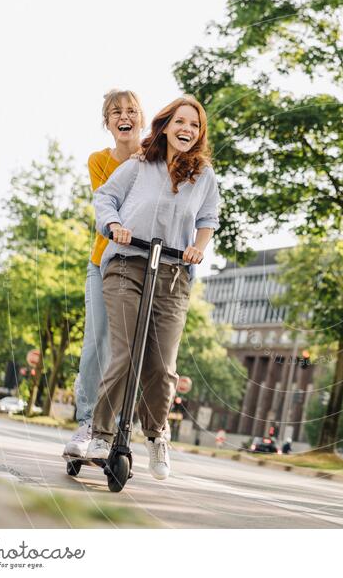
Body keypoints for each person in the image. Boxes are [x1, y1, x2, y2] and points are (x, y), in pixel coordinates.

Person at [86, 95, 220, 481]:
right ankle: (101, 432)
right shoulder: (140, 163)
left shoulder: (204, 175)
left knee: (162, 367)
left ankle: (157, 435)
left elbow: (208, 218)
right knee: (125, 353)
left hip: (173, 273)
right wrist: (114, 227)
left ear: (199, 133)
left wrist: (198, 247)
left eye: (194, 125)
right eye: (180, 121)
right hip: (128, 263)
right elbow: (105, 197)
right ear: (166, 125)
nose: (187, 130)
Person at [63, 90, 144, 458]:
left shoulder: (158, 158)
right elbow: (108, 204)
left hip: (143, 265)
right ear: (107, 122)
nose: (123, 117)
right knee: (96, 341)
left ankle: (116, 424)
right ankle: (86, 422)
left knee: (127, 349)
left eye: (130, 111)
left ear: (141, 117)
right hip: (104, 262)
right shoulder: (99, 160)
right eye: (115, 113)